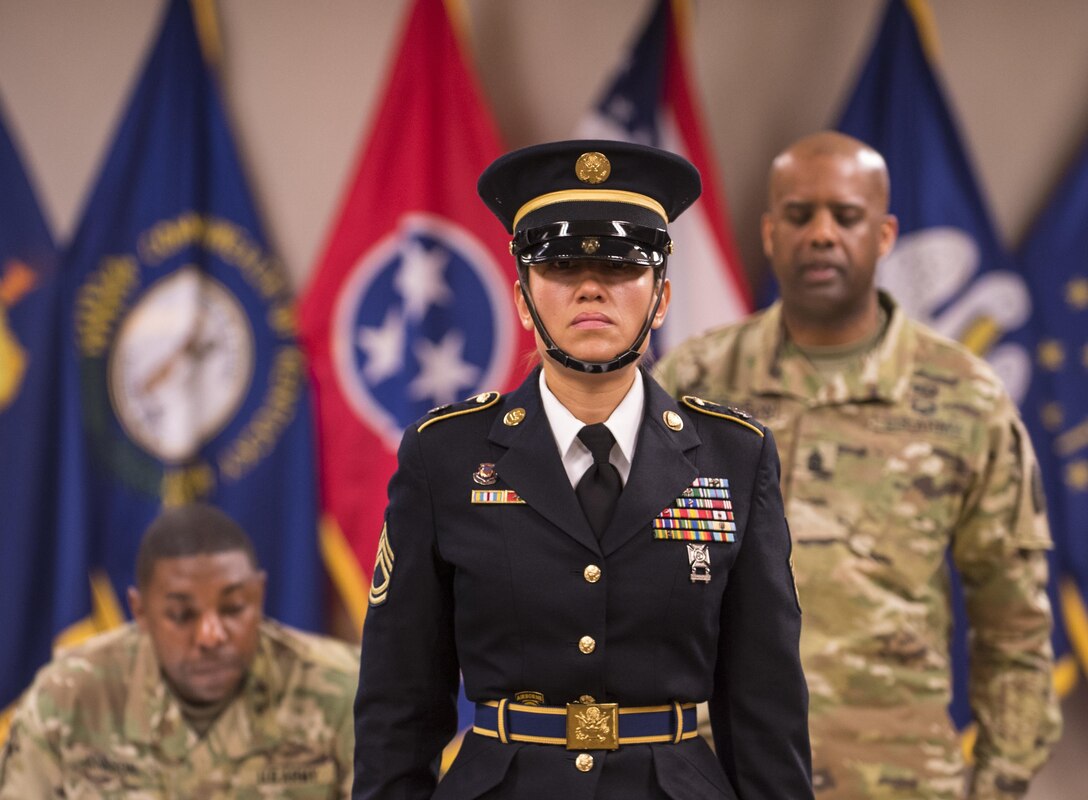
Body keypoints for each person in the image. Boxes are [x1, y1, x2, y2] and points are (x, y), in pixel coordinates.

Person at [353, 140, 812, 800]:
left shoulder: (733, 457)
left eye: (623, 266)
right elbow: (398, 705)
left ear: (660, 300)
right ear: (521, 298)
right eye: (562, 265)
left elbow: (765, 708)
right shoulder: (446, 457)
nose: (592, 286)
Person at [654, 131, 1062, 800]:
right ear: (769, 231)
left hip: (896, 778)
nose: (821, 234)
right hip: (714, 773)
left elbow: (1013, 621)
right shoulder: (694, 381)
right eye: (799, 214)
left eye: (846, 216)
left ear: (884, 234)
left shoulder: (966, 397)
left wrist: (1000, 783)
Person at [0, 503, 359, 798]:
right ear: (141, 611)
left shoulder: (343, 691)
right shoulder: (69, 698)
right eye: (182, 614)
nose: (211, 635)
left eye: (233, 608)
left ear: (259, 594)